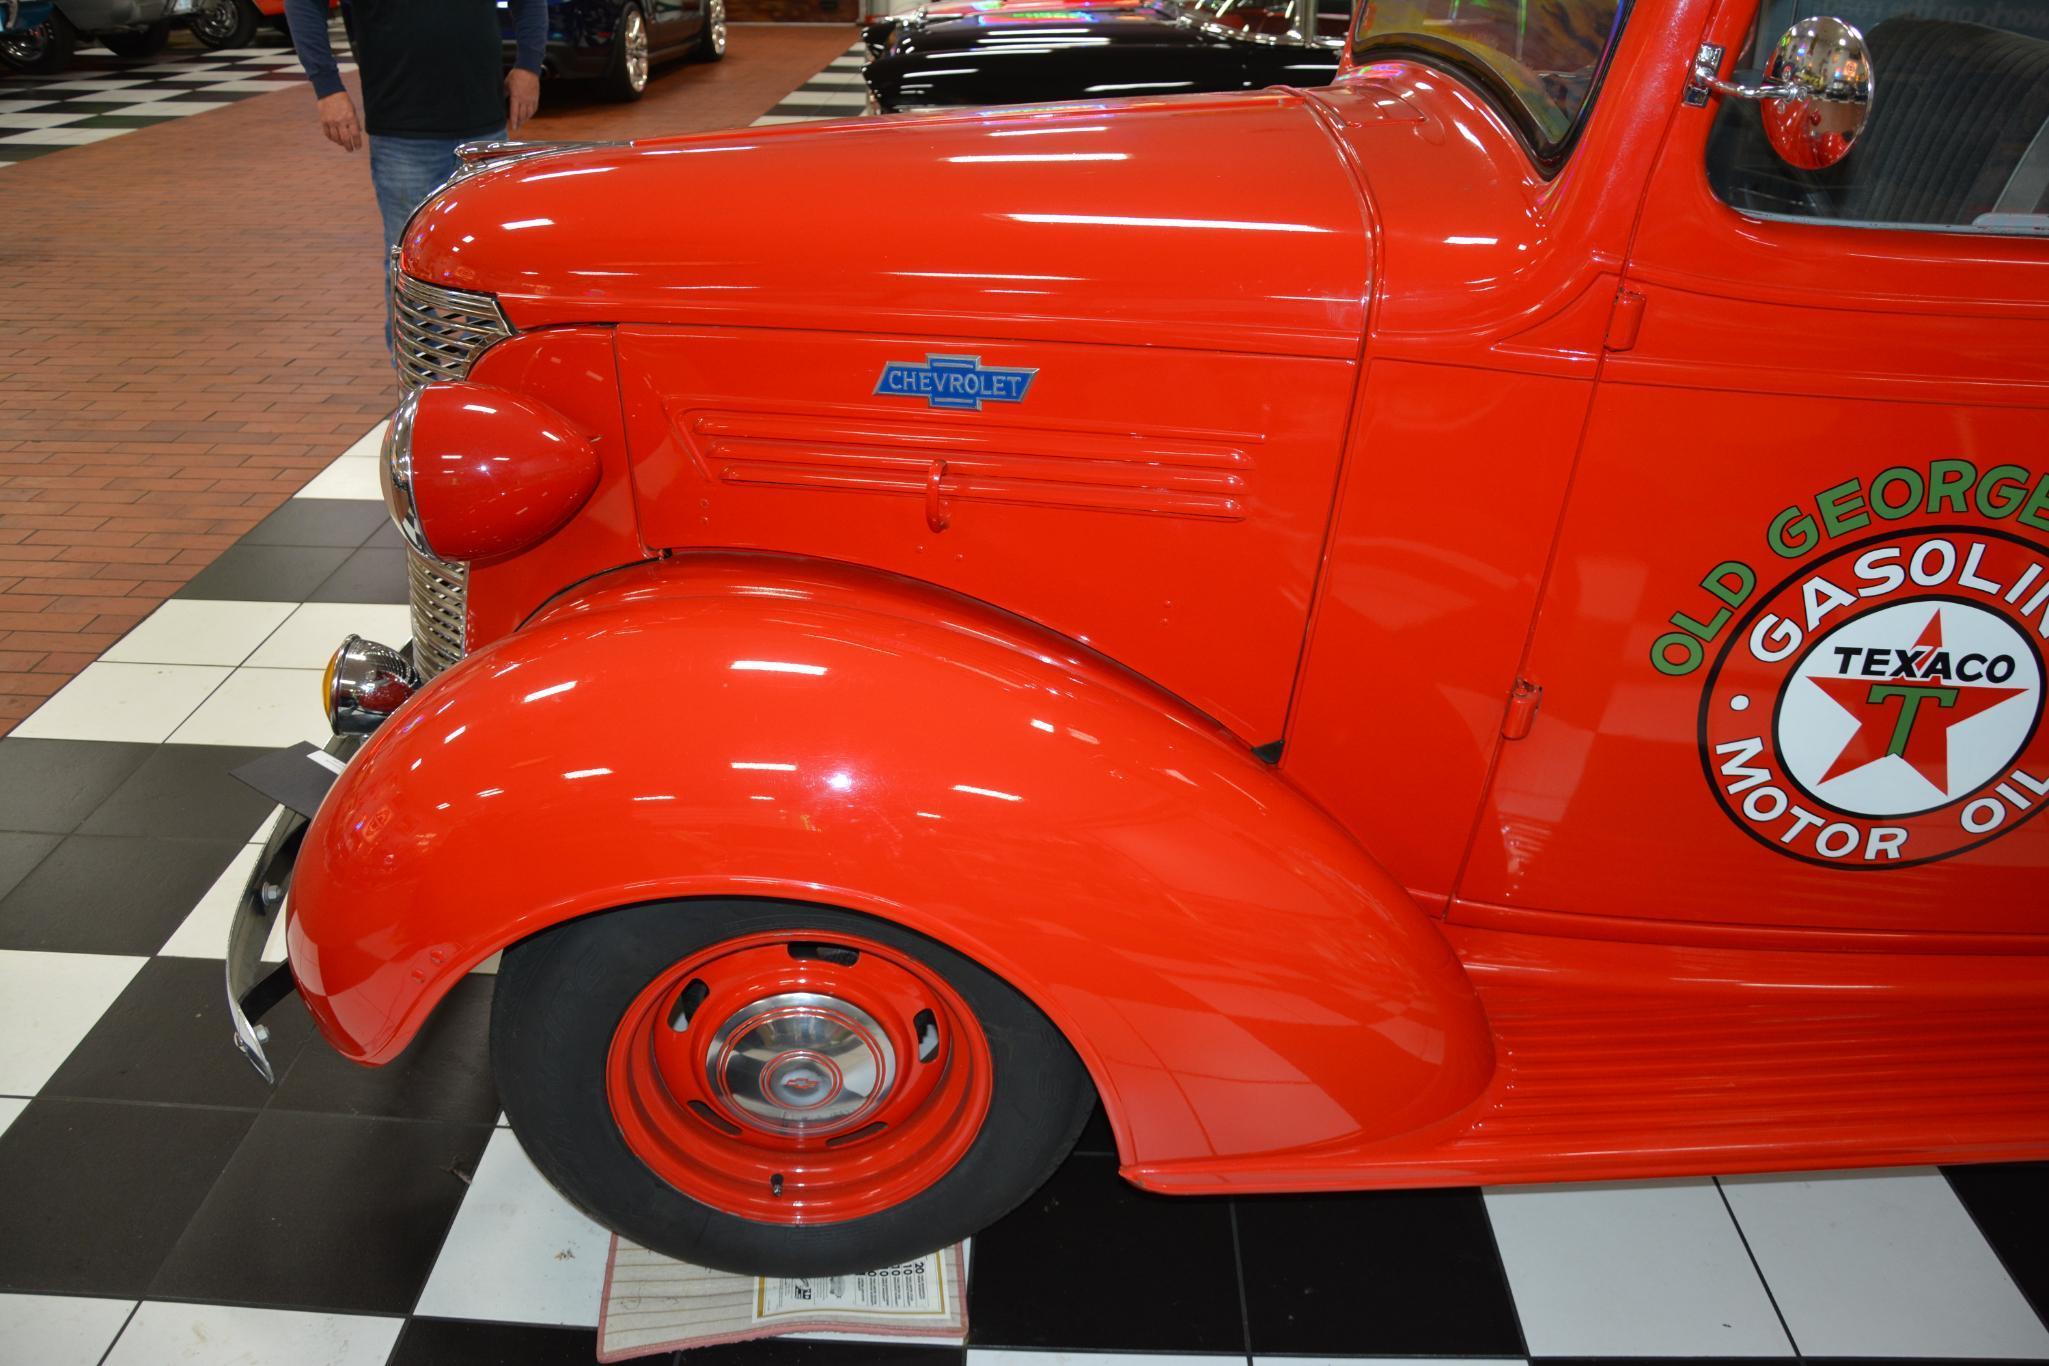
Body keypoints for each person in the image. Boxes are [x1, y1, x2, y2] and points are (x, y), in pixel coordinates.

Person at [285, 0, 549, 258]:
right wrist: (327, 87)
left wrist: (529, 66)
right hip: (403, 137)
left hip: (483, 132)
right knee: (413, 259)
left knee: (488, 258)